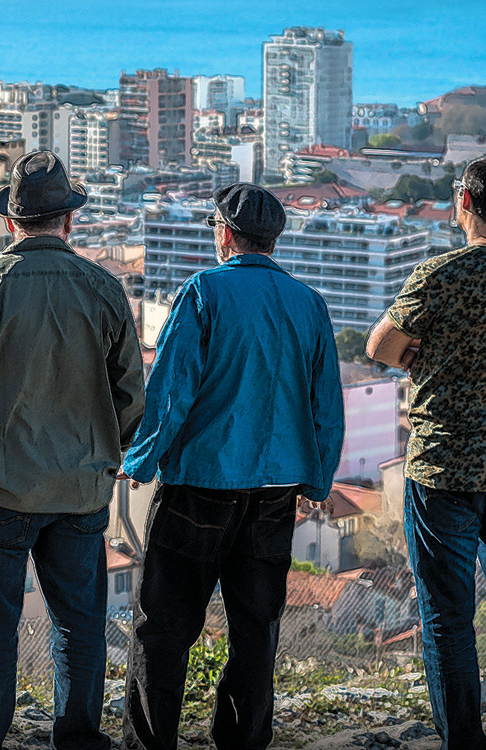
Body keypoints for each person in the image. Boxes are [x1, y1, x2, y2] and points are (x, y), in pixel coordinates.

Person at [0, 151, 144, 750]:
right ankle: (77, 738)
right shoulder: (104, 290)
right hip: (80, 490)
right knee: (80, 625)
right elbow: (131, 395)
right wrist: (108, 453)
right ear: (68, 222)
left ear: (11, 223)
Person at [117, 183, 344, 750]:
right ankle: (242, 743)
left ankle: (151, 744)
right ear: (274, 239)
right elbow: (327, 404)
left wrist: (141, 459)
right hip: (276, 489)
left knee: (164, 627)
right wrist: (317, 480)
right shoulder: (308, 302)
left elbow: (171, 391)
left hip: (202, 482)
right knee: (255, 628)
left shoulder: (203, 293)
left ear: (223, 232)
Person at [367, 153, 486, 749]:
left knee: (449, 619)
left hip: (446, 464)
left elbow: (381, 346)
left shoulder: (439, 275)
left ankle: (465, 744)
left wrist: (430, 360)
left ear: (466, 203)